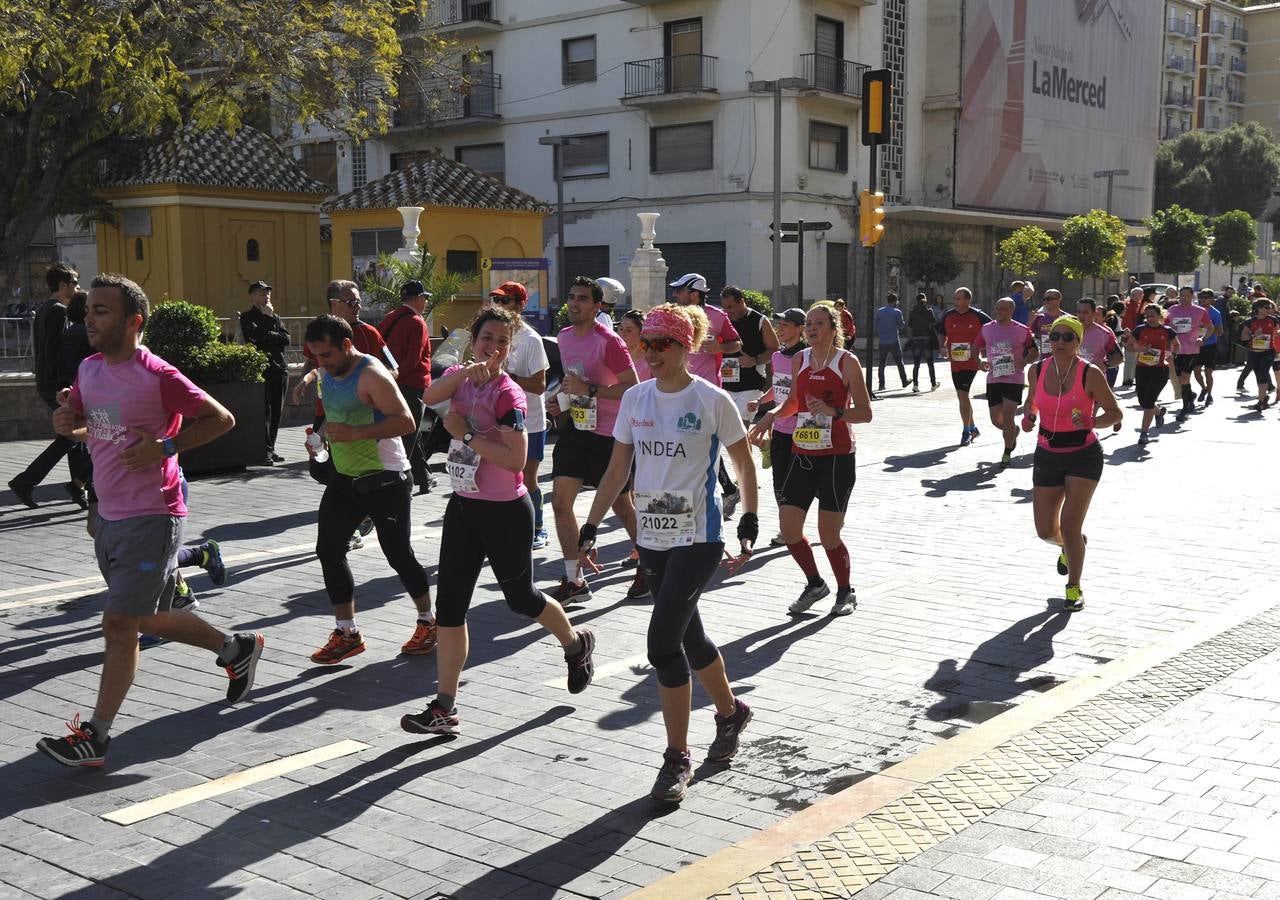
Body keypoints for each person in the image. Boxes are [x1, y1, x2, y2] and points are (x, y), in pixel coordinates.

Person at [37, 274, 263, 767]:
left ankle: (95, 736)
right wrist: (67, 422)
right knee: (143, 617)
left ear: (132, 320)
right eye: (89, 309)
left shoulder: (158, 374)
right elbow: (86, 423)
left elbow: (222, 419)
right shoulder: (90, 368)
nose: (89, 318)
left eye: (101, 310)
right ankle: (235, 647)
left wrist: (163, 446)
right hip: (110, 512)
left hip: (152, 515)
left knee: (119, 624)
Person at [578, 302, 759, 803]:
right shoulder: (636, 399)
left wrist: (749, 515)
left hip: (699, 538)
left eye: (663, 344)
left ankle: (675, 758)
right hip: (652, 537)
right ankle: (730, 713)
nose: (651, 352)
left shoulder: (712, 400)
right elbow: (617, 473)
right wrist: (590, 526)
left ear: (686, 347)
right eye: (647, 344)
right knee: (691, 637)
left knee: (662, 645)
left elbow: (743, 464)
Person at [400, 306, 596, 735]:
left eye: (502, 343)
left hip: (506, 510)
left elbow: (516, 460)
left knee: (521, 599)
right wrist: (463, 376)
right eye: (486, 338)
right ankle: (445, 706)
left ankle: (575, 643)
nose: (493, 348)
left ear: (509, 351)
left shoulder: (508, 394)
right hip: (464, 506)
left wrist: (467, 434)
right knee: (449, 608)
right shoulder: (464, 381)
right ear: (474, 340)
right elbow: (430, 397)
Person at [302, 315, 436, 664]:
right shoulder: (327, 373)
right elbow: (337, 416)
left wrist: (355, 433)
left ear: (347, 345)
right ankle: (347, 633)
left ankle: (428, 622)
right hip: (346, 476)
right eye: (317, 357)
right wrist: (319, 437)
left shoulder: (371, 374)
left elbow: (407, 421)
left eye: (328, 355)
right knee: (328, 550)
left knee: (397, 555)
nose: (323, 364)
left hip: (385, 478)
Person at [749, 303, 873, 617]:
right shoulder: (800, 360)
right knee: (789, 529)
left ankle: (845, 590)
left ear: (834, 329)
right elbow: (792, 402)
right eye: (809, 324)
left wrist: (835, 412)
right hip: (803, 453)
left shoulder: (847, 362)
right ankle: (815, 583)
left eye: (820, 323)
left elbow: (865, 412)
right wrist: (769, 417)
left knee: (828, 534)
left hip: (837, 457)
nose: (813, 328)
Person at [546, 276, 641, 604]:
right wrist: (558, 399)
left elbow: (632, 385)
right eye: (571, 297)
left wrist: (591, 390)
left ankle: (648, 561)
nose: (574, 303)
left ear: (597, 305)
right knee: (560, 502)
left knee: (621, 506)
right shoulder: (564, 336)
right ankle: (574, 579)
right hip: (577, 428)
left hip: (610, 435)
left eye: (583, 299)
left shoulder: (609, 341)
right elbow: (571, 380)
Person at [1021, 315, 1122, 612]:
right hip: (1047, 452)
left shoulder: (1089, 373)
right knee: (1045, 531)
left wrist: (1091, 421)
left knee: (1070, 523)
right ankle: (1072, 544)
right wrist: (1029, 417)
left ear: (1079, 342)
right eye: (1055, 337)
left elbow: (1115, 413)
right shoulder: (1036, 370)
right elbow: (1034, 402)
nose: (1060, 342)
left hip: (1083, 454)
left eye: (1068, 337)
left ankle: (1074, 586)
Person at [294, 280, 398, 552]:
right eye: (352, 303)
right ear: (334, 304)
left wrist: (367, 385)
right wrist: (305, 380)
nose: (358, 307)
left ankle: (354, 522)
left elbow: (394, 368)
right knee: (320, 466)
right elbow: (315, 366)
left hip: (359, 415)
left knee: (343, 471)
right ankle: (357, 513)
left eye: (359, 302)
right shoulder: (321, 332)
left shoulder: (370, 333)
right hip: (327, 411)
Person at [9, 262, 90, 509]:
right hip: (57, 384)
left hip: (48, 382)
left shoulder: (46, 308)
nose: (77, 287)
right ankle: (26, 481)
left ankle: (77, 488)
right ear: (63, 285)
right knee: (70, 437)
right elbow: (55, 351)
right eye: (74, 283)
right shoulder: (57, 311)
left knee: (74, 437)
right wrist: (63, 386)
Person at [670, 272, 744, 515]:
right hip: (677, 388)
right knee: (685, 441)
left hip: (706, 391)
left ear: (694, 293)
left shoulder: (717, 316)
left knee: (701, 440)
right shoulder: (674, 316)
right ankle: (724, 488)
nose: (675, 294)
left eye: (680, 290)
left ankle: (721, 489)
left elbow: (737, 344)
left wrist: (721, 347)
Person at [489, 281, 552, 549]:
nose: (500, 306)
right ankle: (506, 529)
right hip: (497, 417)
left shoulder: (530, 339)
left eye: (507, 301)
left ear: (521, 305)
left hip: (530, 422)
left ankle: (538, 527)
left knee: (527, 479)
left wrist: (509, 378)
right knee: (501, 477)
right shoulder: (492, 335)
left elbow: (539, 385)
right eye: (497, 300)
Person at [750, 308, 806, 547]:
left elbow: (798, 393)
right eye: (779, 325)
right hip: (780, 428)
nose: (779, 329)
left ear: (800, 328)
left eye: (785, 325)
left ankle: (828, 516)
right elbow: (780, 386)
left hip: (803, 428)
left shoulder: (806, 356)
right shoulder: (778, 356)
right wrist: (761, 400)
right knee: (779, 480)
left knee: (802, 481)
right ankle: (787, 529)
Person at [377, 280, 435, 492]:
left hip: (391, 383)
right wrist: (398, 376)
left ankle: (424, 478)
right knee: (409, 434)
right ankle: (401, 483)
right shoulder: (417, 322)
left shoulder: (391, 317)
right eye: (425, 297)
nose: (426, 301)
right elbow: (413, 359)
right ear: (418, 298)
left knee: (413, 431)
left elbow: (379, 346)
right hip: (411, 385)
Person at [973, 297, 1037, 466]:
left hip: (1014, 379)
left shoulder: (1022, 330)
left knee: (1008, 416)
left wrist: (1024, 361)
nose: (998, 311)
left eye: (1002, 309)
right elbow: (975, 348)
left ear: (1011, 311)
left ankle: (1007, 452)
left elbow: (1034, 352)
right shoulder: (987, 329)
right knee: (996, 420)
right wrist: (980, 362)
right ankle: (1013, 431)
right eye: (997, 308)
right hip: (994, 378)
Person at [239, 280, 291, 465]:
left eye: (268, 292)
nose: (266, 296)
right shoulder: (247, 317)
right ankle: (264, 451)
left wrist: (270, 332)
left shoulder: (274, 316)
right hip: (263, 369)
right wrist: (268, 322)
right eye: (262, 293)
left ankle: (272, 448)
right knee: (265, 411)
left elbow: (286, 339)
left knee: (277, 411)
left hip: (280, 368)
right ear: (253, 296)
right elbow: (255, 340)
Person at [937, 287, 992, 446]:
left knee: (962, 395)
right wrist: (942, 346)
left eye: (959, 299)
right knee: (963, 396)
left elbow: (993, 330)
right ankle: (973, 428)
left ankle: (966, 431)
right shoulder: (948, 315)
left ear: (968, 300)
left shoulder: (978, 315)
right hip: (955, 362)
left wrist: (984, 350)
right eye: (954, 298)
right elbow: (941, 331)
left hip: (972, 361)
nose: (956, 302)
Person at [720, 285, 779, 427]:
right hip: (724, 384)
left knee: (741, 428)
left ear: (741, 301)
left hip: (750, 385)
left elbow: (774, 350)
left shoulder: (760, 321)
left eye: (731, 307)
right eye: (725, 308)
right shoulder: (723, 319)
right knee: (724, 430)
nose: (727, 312)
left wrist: (755, 360)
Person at [1126, 303, 1177, 444]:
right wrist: (1141, 349)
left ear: (1160, 316)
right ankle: (1159, 412)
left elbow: (1176, 344)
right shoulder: (1139, 330)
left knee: (1148, 402)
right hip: (1142, 369)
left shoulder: (1168, 331)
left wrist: (1169, 354)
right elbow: (1129, 346)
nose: (1149, 319)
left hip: (1160, 370)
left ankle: (1144, 433)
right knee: (1143, 401)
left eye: (1152, 316)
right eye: (1147, 316)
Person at [1167, 286, 1213, 422]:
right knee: (1181, 381)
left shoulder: (1200, 311)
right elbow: (1165, 326)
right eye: (1181, 295)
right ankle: (1190, 396)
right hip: (1176, 350)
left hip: (1191, 350)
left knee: (1184, 379)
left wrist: (1202, 338)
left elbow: (1210, 328)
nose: (1183, 298)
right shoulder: (1172, 310)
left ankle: (1184, 409)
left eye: (1186, 295)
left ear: (1192, 296)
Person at [1241, 298, 1279, 412]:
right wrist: (1254, 335)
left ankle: (1260, 402)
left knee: (1263, 374)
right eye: (1266, 307)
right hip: (1254, 353)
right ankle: (1264, 397)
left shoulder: (1273, 320)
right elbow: (1243, 337)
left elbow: (1277, 332)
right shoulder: (1250, 321)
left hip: (1268, 352)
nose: (1269, 309)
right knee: (1259, 376)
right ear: (1259, 309)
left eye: (1270, 307)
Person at [1076, 298, 1122, 384]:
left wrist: (1105, 365)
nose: (1081, 316)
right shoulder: (1070, 330)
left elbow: (1118, 357)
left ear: (1094, 314)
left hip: (1095, 381)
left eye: (1085, 312)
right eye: (1079, 312)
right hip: (1074, 380)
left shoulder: (1104, 333)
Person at [1192, 288, 1223, 407]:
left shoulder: (1215, 313)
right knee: (1196, 371)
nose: (1203, 300)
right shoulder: (1195, 310)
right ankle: (1204, 388)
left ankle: (1209, 395)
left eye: (1206, 298)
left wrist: (1208, 329)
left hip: (1210, 345)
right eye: (1201, 297)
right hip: (1196, 345)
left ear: (1211, 299)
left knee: (1208, 373)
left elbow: (1220, 332)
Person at [875, 293, 909, 391]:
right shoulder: (897, 312)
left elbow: (877, 325)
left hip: (883, 341)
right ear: (895, 301)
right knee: (899, 362)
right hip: (894, 340)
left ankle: (881, 384)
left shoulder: (879, 311)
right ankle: (904, 381)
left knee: (882, 363)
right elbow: (901, 326)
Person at [906, 292, 938, 392]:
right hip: (927, 339)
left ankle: (915, 385)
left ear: (916, 300)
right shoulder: (929, 310)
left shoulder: (912, 311)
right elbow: (933, 322)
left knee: (916, 364)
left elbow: (910, 325)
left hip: (916, 339)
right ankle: (933, 384)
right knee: (930, 363)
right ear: (925, 300)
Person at [1028, 289, 1066, 360]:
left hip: (1064, 359)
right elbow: (1031, 334)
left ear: (1059, 299)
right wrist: (1030, 321)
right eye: (1044, 299)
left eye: (1049, 299)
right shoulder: (1039, 318)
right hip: (1045, 360)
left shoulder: (1068, 319)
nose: (1046, 302)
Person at [1120, 286, 1145, 386]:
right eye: (1140, 294)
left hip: (1133, 334)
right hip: (1131, 335)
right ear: (1134, 295)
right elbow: (1128, 322)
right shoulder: (1130, 305)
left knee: (1133, 358)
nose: (1142, 296)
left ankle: (1130, 378)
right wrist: (1132, 335)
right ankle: (1128, 379)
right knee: (1131, 358)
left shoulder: (1134, 305)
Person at [618, 308, 651, 382]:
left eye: (629, 330)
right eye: (621, 329)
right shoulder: (613, 358)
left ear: (641, 334)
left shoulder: (650, 363)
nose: (622, 334)